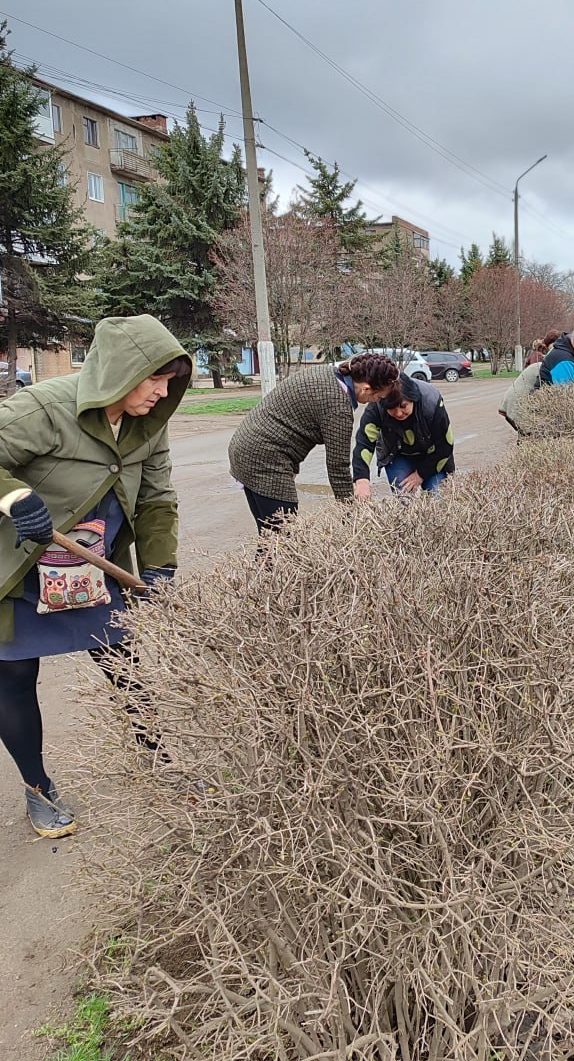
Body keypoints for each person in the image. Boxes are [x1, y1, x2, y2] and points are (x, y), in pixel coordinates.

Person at [0, 314, 193, 838]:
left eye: (171, 381)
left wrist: (159, 566)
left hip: (94, 564)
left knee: (123, 661)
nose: (162, 392)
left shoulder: (149, 424)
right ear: (120, 370)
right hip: (21, 564)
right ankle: (38, 789)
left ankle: (159, 759)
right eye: (155, 378)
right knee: (14, 676)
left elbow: (157, 498)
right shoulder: (44, 408)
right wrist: (18, 497)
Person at [228, 353, 399, 532]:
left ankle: (265, 560)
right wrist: (351, 516)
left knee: (271, 535)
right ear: (365, 388)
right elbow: (338, 467)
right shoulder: (338, 407)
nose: (376, 402)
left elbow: (292, 422)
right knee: (284, 536)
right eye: (378, 397)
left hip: (245, 447)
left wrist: (292, 467)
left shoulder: (326, 373)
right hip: (264, 460)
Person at [352, 373, 454, 499]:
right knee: (404, 499)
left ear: (413, 399)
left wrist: (420, 475)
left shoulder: (431, 402)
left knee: (438, 498)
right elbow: (364, 444)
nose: (399, 413)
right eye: (391, 409)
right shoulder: (376, 407)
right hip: (397, 455)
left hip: (433, 456)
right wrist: (362, 479)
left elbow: (445, 446)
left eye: (403, 406)